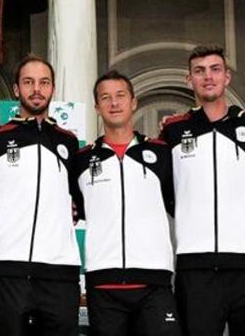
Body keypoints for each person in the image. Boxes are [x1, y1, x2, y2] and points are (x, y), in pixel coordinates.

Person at [158, 45, 245, 336]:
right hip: (195, 266)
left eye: (215, 69)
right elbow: (164, 193)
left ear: (227, 77)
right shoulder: (172, 132)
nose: (207, 77)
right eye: (199, 71)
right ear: (190, 80)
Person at [72, 70, 178, 336]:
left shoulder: (162, 153)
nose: (114, 103)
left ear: (133, 102)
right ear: (97, 107)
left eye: (120, 96)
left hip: (154, 282)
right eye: (105, 98)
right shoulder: (82, 160)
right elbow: (76, 208)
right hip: (103, 284)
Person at [0, 55, 81, 336]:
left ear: (53, 88)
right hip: (8, 267)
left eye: (44, 82)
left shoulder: (69, 141)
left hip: (60, 270)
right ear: (16, 89)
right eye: (28, 82)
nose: (36, 89)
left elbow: (82, 198)